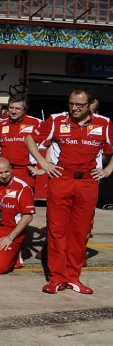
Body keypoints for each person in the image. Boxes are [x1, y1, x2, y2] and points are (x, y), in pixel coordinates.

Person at [25, 88, 112, 294]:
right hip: (61, 180)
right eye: (71, 104)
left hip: (88, 183)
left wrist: (107, 170)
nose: (74, 108)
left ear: (90, 105)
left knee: (80, 233)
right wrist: (44, 164)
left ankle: (73, 277)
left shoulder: (104, 123)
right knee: (56, 231)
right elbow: (30, 140)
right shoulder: (56, 120)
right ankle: (56, 278)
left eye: (79, 105)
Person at [0, 157, 35, 276]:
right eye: (0, 173)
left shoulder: (23, 187)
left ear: (11, 169)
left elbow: (28, 217)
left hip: (11, 231)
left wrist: (10, 237)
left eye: (7, 171)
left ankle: (17, 252)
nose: (4, 175)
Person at [0, 94, 42, 188]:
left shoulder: (36, 123)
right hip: (4, 172)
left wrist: (41, 169)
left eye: (18, 108)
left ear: (25, 109)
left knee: (25, 201)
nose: (13, 111)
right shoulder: (0, 124)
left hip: (26, 172)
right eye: (11, 108)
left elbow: (50, 146)